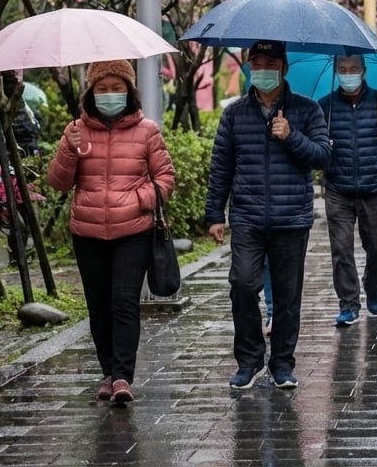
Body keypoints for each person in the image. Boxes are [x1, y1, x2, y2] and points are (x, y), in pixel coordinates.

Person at [46, 59, 175, 405]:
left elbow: (166, 178)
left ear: (129, 91)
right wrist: (67, 147)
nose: (109, 94)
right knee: (99, 306)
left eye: (117, 88)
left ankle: (122, 378)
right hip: (87, 233)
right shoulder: (76, 130)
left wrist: (141, 199)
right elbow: (58, 183)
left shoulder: (147, 130)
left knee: (123, 303)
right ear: (91, 92)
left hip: (133, 231)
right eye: (102, 88)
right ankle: (107, 371)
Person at [205, 40, 331, 391]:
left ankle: (282, 364)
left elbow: (322, 157)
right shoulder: (234, 114)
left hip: (291, 217)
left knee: (288, 297)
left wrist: (291, 136)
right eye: (255, 62)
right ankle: (249, 360)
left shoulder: (307, 111)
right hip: (247, 217)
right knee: (243, 285)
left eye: (269, 62)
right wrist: (215, 212)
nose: (261, 68)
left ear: (283, 67)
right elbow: (221, 166)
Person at [317, 53, 377, 324]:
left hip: (375, 186)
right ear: (336, 72)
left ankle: (372, 286)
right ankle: (348, 302)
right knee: (342, 248)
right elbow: (314, 145)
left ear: (363, 71)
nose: (348, 74)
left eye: (353, 69)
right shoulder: (326, 106)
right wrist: (324, 147)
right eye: (343, 69)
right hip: (338, 187)